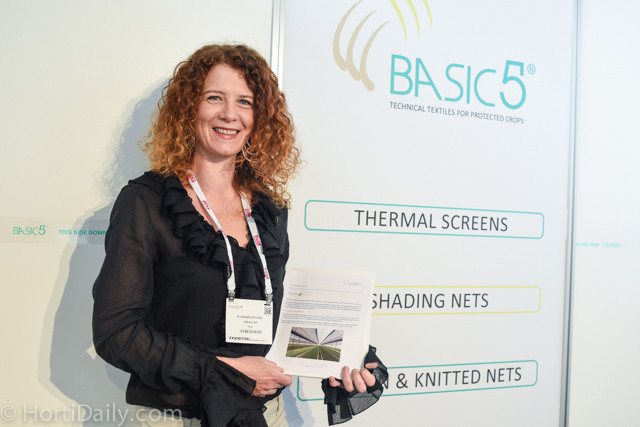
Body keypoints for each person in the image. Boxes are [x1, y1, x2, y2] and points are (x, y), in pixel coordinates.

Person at [92, 44, 386, 427]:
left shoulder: (268, 209)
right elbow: (117, 333)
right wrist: (221, 370)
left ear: (258, 117)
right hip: (177, 418)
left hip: (265, 416)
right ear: (189, 108)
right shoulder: (147, 203)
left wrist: (342, 356)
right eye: (214, 97)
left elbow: (278, 320)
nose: (230, 114)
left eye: (244, 102)